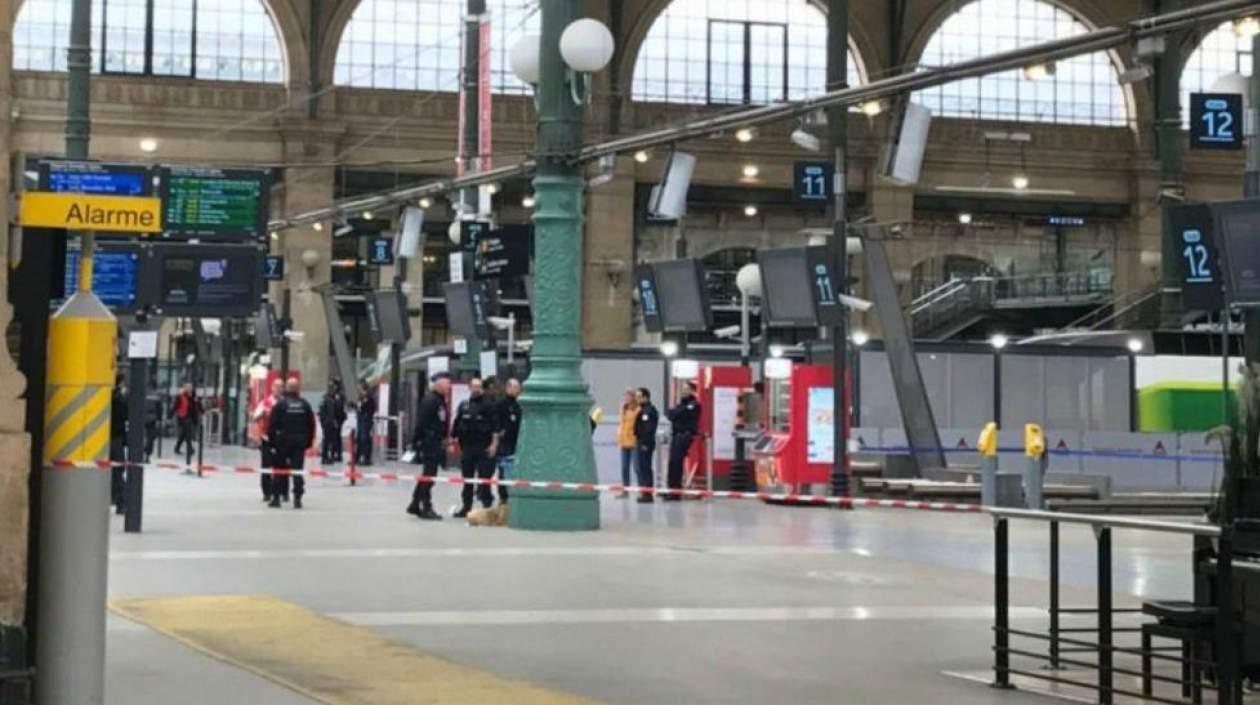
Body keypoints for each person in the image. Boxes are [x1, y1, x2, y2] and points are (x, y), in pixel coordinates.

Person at [451, 376, 499, 518]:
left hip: (484, 447)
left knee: (484, 480)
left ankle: (487, 508)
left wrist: (494, 445)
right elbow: (457, 425)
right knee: (467, 480)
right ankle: (466, 507)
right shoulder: (464, 405)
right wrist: (452, 440)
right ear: (469, 387)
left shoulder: (489, 405)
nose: (476, 389)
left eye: (479, 386)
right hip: (468, 447)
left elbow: (496, 427)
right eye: (474, 386)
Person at [406, 373, 451, 520]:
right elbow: (422, 423)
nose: (449, 387)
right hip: (429, 442)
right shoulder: (430, 401)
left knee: (427, 475)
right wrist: (415, 441)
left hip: (436, 441)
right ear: (438, 385)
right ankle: (426, 505)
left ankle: (414, 503)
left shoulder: (440, 400)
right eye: (446, 384)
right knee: (429, 476)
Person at [267, 379, 316, 509]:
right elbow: (311, 425)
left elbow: (272, 425)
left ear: (286, 389)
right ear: (298, 389)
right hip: (299, 443)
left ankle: (276, 498)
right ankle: (297, 498)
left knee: (279, 470)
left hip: (282, 443)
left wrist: (271, 443)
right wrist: (308, 442)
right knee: (297, 471)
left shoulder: (280, 404)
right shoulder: (305, 405)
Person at [665, 381, 702, 501]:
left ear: (692, 390)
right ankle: (672, 489)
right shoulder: (682, 404)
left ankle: (676, 492)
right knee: (672, 463)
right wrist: (678, 413)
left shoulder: (694, 404)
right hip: (676, 435)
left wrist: (677, 413)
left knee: (677, 462)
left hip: (685, 436)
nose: (683, 391)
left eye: (686, 389)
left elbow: (681, 414)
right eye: (683, 388)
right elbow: (670, 414)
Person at [252, 379, 284, 503]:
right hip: (267, 438)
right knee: (266, 465)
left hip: (281, 439)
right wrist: (263, 414)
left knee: (281, 466)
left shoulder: (284, 402)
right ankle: (266, 492)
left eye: (281, 387)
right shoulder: (265, 402)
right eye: (277, 386)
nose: (279, 389)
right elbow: (255, 417)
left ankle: (281, 491)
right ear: (272, 388)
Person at [495, 378, 522, 505]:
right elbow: (496, 422)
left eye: (518, 387)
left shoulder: (519, 405)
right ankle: (503, 497)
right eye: (515, 387)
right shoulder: (501, 404)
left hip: (518, 443)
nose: (518, 390)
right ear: (508, 388)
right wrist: (500, 432)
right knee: (504, 470)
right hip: (505, 443)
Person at [633, 388, 659, 503]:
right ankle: (644, 492)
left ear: (645, 397)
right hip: (640, 442)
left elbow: (648, 430)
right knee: (640, 468)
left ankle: (647, 494)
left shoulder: (648, 411)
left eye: (639, 396)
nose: (637, 399)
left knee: (644, 468)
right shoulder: (643, 410)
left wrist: (644, 444)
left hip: (645, 443)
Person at [110, 373, 128, 515]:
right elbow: (125, 415)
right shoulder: (119, 398)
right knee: (118, 471)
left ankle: (116, 499)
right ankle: (121, 502)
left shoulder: (105, 396)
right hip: (116, 438)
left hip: (108, 438)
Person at [616, 388, 639, 497]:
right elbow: (621, 423)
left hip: (634, 441)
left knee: (637, 467)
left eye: (628, 396)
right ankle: (625, 490)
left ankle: (642, 489)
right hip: (624, 441)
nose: (626, 398)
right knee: (624, 467)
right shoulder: (623, 408)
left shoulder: (638, 409)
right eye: (625, 396)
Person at [171, 382, 200, 463]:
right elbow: (175, 406)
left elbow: (197, 406)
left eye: (190, 387)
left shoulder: (194, 396)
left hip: (191, 417)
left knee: (184, 434)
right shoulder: (181, 396)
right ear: (185, 388)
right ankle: (190, 449)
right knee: (188, 433)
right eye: (187, 387)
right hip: (183, 417)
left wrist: (202, 411)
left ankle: (177, 448)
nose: (189, 389)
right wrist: (170, 415)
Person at [319, 381, 347, 464]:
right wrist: (333, 421)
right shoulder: (330, 399)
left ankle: (331, 455)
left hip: (330, 421)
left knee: (331, 439)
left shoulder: (331, 398)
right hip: (330, 422)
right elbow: (331, 412)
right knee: (329, 439)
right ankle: (327, 456)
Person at [355, 383, 377, 466]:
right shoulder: (360, 398)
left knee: (365, 439)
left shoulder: (369, 398)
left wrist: (366, 414)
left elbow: (371, 409)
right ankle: (358, 457)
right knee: (359, 439)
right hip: (360, 421)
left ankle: (366, 458)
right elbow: (359, 407)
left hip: (366, 421)